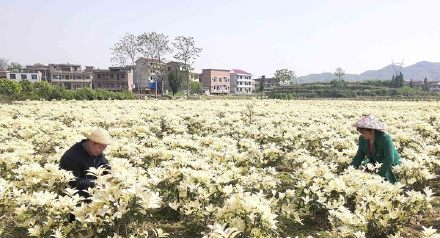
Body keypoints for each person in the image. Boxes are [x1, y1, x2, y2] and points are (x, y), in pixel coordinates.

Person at [60, 127, 112, 198]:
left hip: (94, 193)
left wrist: (111, 174)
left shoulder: (96, 151)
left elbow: (104, 164)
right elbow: (73, 182)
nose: (102, 151)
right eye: (101, 148)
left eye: (104, 148)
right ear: (91, 142)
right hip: (76, 198)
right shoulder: (71, 157)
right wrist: (95, 182)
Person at [351, 115, 401, 184]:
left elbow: (389, 159)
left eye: (363, 132)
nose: (361, 135)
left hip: (391, 165)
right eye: (360, 132)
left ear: (371, 131)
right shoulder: (362, 139)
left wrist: (378, 176)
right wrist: (350, 171)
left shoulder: (385, 138)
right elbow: (359, 157)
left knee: (388, 184)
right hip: (376, 163)